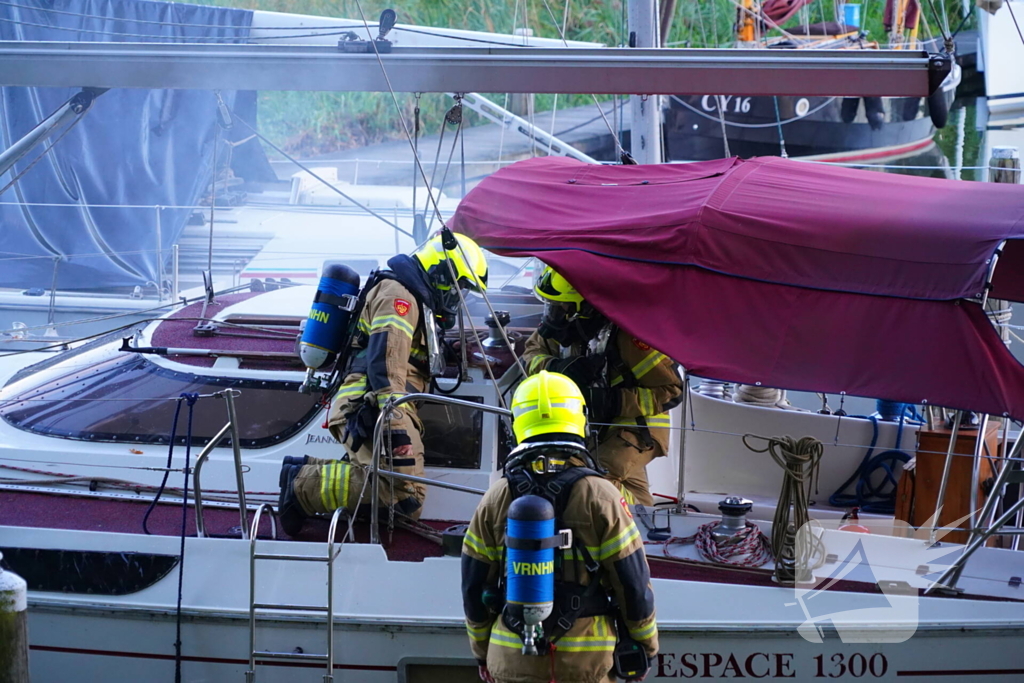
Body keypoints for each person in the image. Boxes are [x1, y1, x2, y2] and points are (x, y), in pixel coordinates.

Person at [277, 230, 489, 536]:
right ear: (442, 274)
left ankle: (305, 474)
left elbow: (409, 353)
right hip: (372, 407)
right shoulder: (398, 297)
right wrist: (394, 423)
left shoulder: (413, 297)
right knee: (405, 495)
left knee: (403, 492)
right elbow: (386, 360)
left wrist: (450, 350)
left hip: (381, 405)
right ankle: (300, 486)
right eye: (460, 288)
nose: (459, 297)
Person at [462, 370, 657, 683]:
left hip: (510, 657)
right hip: (585, 664)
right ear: (579, 419)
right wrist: (645, 647)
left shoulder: (496, 495)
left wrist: (482, 652)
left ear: (517, 422)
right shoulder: (602, 495)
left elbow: (473, 586)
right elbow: (632, 582)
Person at [522, 267, 683, 507]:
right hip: (593, 425)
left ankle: (626, 515)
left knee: (593, 477)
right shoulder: (563, 327)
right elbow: (531, 352)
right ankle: (643, 513)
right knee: (619, 481)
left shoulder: (630, 338)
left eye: (560, 307)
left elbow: (671, 391)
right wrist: (556, 367)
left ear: (586, 308)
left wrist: (611, 401)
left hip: (635, 427)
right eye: (550, 306)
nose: (553, 314)